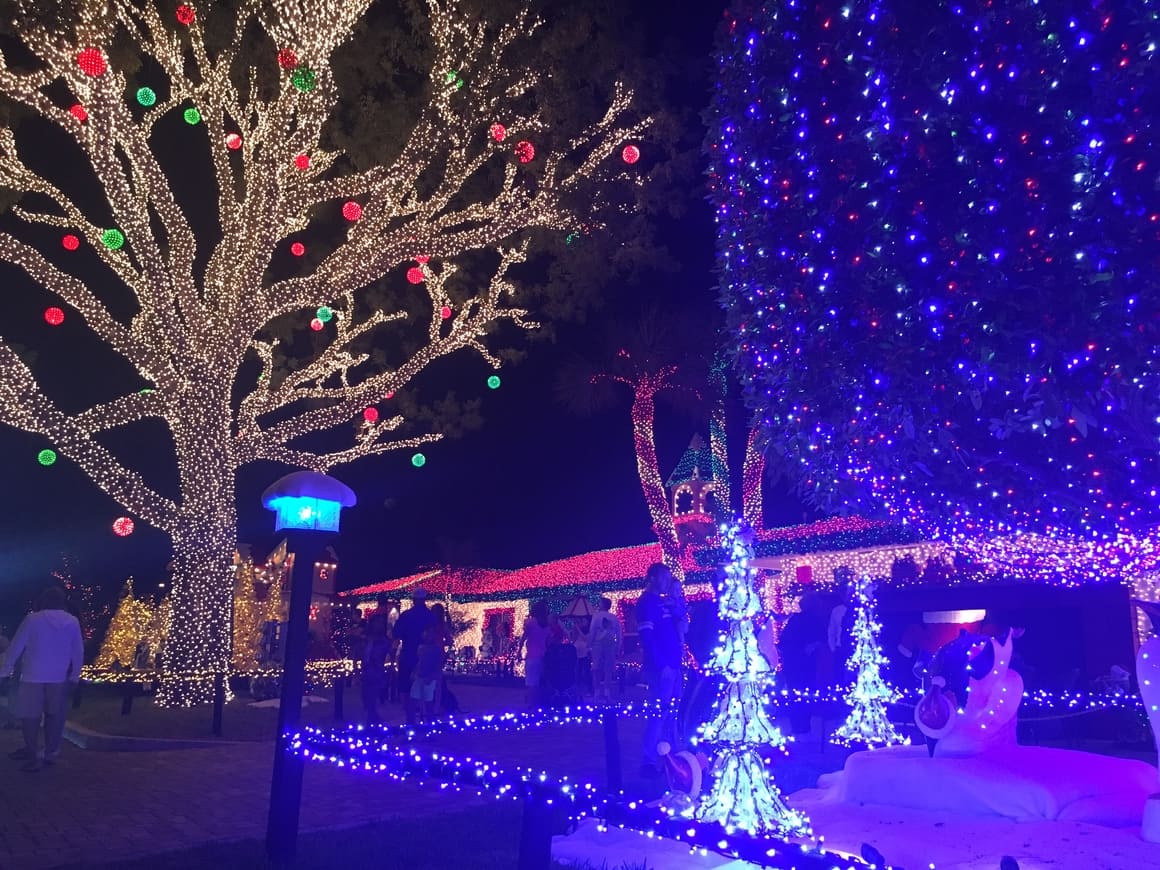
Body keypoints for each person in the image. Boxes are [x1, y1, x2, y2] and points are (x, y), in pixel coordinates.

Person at [0, 586, 84, 771]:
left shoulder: (33, 619)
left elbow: (16, 646)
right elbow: (77, 650)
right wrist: (74, 675)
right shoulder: (72, 622)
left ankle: (33, 751)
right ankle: (51, 753)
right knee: (55, 716)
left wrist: (5, 671)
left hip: (32, 675)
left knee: (30, 717)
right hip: (58, 677)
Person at [637, 563, 686, 775]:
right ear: (654, 578)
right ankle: (648, 761)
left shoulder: (663, 602)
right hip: (662, 669)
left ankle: (673, 756)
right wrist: (661, 664)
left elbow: (681, 623)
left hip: (674, 666)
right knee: (659, 713)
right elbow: (647, 638)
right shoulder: (646, 602)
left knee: (673, 712)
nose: (668, 581)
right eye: (665, 577)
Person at [778, 593, 829, 735]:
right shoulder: (811, 619)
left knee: (796, 691)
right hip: (801, 660)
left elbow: (785, 639)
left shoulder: (799, 619)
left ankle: (799, 724)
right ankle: (802, 724)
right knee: (803, 690)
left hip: (797, 660)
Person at [393, 588, 434, 724]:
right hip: (426, 657)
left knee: (405, 687)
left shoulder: (406, 615)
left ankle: (410, 719)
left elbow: (396, 633)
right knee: (427, 688)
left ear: (413, 600)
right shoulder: (430, 616)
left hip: (408, 655)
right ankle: (427, 719)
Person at [519, 601, 553, 706]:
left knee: (530, 683)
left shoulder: (531, 623)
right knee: (538, 682)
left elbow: (524, 638)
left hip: (532, 656)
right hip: (543, 656)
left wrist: (519, 651)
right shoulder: (547, 625)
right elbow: (548, 642)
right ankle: (536, 704)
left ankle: (530, 705)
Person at [361, 613, 391, 725]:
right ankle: (372, 720)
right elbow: (360, 653)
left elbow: (387, 657)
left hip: (377, 672)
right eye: (377, 622)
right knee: (367, 699)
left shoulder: (384, 641)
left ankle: (373, 722)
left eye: (381, 623)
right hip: (366, 672)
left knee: (373, 699)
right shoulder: (366, 638)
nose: (379, 625)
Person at [588, 598, 621, 700]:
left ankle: (597, 691)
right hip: (610, 644)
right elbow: (619, 633)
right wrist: (618, 646)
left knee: (596, 667)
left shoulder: (596, 616)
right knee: (608, 668)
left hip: (598, 644)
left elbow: (592, 631)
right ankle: (607, 691)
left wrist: (589, 645)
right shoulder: (614, 618)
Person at [410, 625, 444, 721]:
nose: (428, 635)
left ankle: (429, 722)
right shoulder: (421, 647)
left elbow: (438, 663)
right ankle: (413, 722)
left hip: (430, 676)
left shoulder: (437, 648)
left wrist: (433, 676)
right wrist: (414, 672)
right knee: (413, 700)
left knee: (428, 702)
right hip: (419, 675)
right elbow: (419, 661)